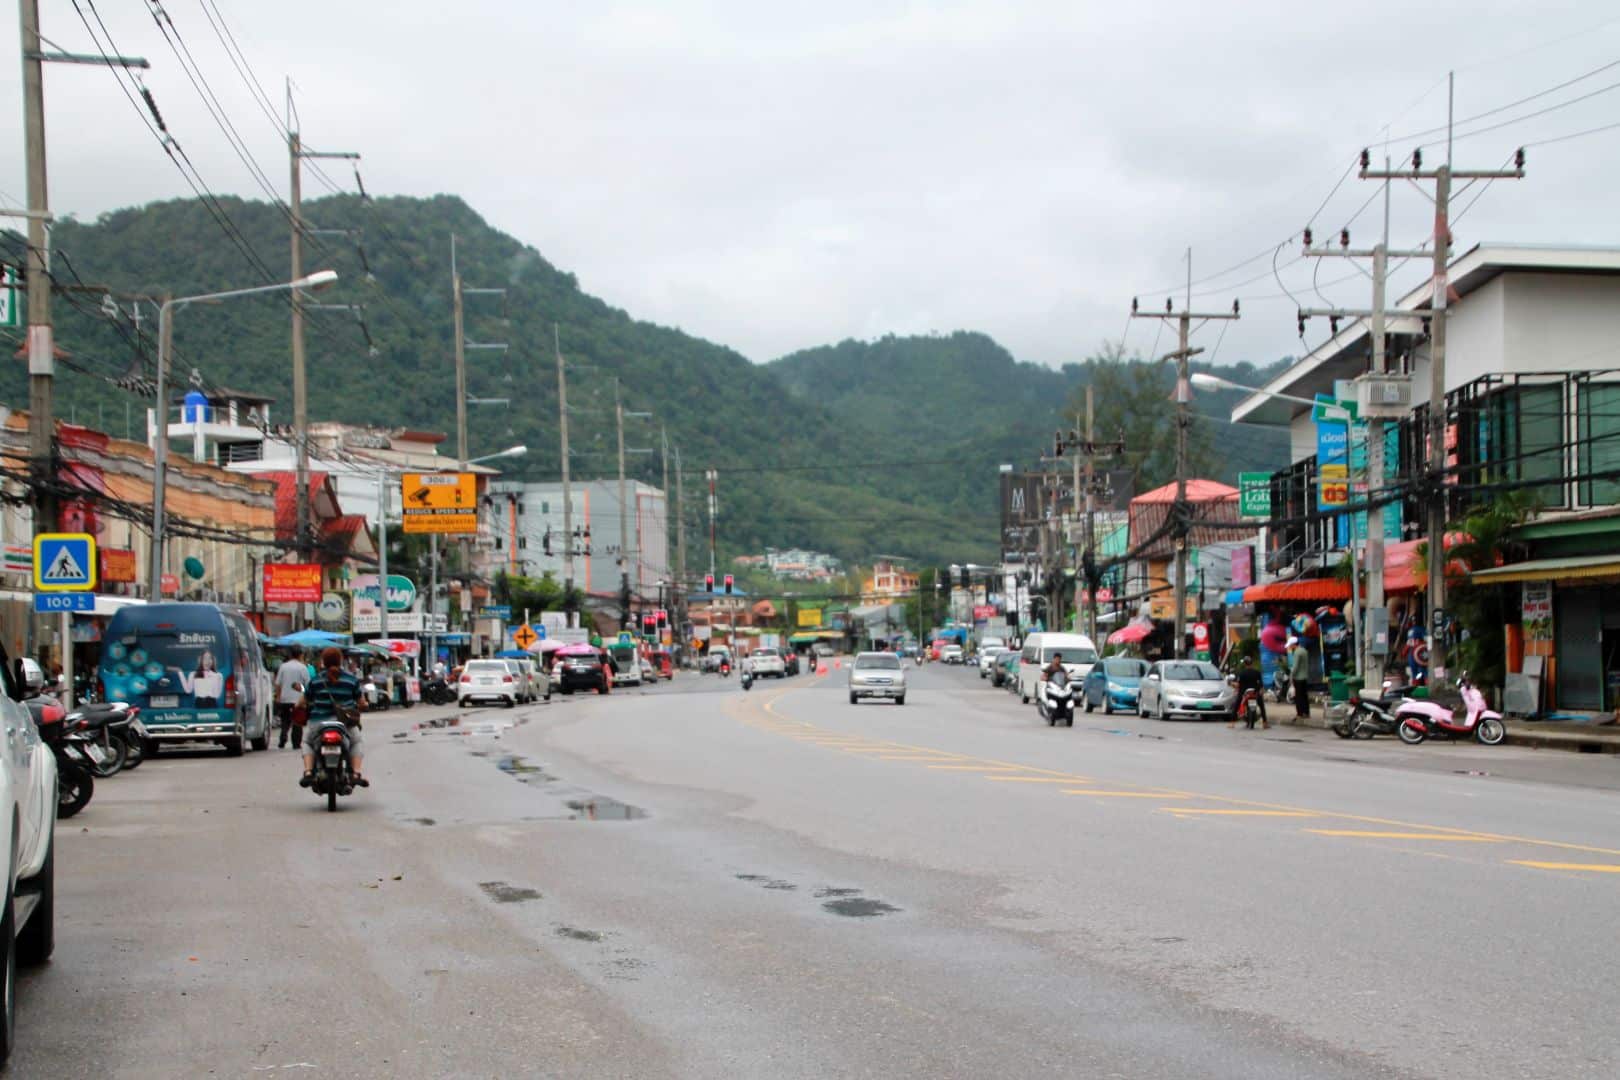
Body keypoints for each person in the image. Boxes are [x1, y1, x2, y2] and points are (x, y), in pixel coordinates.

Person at [300, 646, 368, 788]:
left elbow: (303, 701)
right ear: (341, 660)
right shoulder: (351, 680)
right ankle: (355, 773)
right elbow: (361, 703)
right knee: (356, 742)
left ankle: (307, 772)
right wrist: (362, 705)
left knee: (307, 742)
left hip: (318, 723)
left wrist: (297, 707)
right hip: (344, 724)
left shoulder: (316, 681)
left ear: (323, 661)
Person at [274, 647, 308, 749]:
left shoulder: (283, 667)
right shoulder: (302, 668)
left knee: (285, 720)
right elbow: (307, 684)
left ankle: (283, 738)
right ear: (301, 655)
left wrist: (278, 697)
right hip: (298, 700)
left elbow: (278, 684)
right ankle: (296, 743)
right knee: (297, 722)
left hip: (285, 699)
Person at [1230, 654, 1268, 729]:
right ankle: (1265, 723)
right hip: (1255, 692)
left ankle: (1232, 723)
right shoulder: (1257, 672)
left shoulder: (1242, 673)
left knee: (1237, 704)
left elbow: (1238, 684)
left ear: (1245, 664)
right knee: (1261, 706)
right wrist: (1260, 690)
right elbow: (1261, 684)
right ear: (1252, 663)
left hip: (1244, 692)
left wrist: (1232, 684)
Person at [1287, 636, 1311, 720]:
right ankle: (1306, 712)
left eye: (1290, 645)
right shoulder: (1304, 651)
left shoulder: (1297, 652)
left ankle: (1300, 713)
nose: (1290, 647)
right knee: (1304, 696)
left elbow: (1296, 666)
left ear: (1294, 644)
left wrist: (1291, 675)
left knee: (1298, 697)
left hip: (1298, 678)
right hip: (1305, 676)